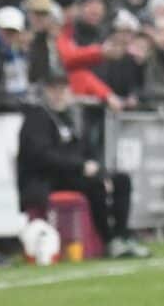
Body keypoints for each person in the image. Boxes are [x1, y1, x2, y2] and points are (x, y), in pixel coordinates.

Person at [15, 70, 150, 259]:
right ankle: (108, 239)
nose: (59, 94)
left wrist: (100, 172)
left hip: (72, 173)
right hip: (46, 179)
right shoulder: (37, 118)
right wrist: (81, 167)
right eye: (54, 89)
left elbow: (87, 151)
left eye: (63, 89)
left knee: (121, 180)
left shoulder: (70, 118)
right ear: (46, 91)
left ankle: (122, 234)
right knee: (94, 186)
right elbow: (42, 156)